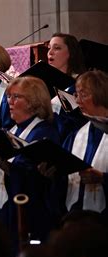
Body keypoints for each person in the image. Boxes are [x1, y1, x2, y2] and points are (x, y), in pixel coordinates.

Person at [0, 77, 60, 252]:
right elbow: (7, 168)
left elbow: (35, 177)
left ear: (33, 102)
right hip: (3, 208)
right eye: (9, 96)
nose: (10, 101)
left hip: (28, 212)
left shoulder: (44, 132)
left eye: (16, 97)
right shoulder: (11, 131)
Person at [56, 70, 108, 219]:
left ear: (101, 94)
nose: (77, 101)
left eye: (83, 95)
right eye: (77, 95)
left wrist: (103, 178)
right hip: (74, 215)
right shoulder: (76, 134)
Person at [47, 33, 87, 139]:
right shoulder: (46, 82)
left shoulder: (79, 85)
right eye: (49, 48)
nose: (50, 53)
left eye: (57, 48)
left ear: (70, 53)